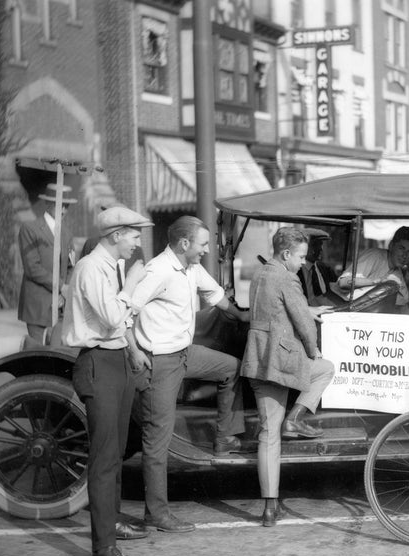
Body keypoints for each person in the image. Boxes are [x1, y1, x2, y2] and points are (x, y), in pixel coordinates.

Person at [127, 216, 250, 533]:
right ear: (184, 244)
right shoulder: (158, 271)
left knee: (231, 368)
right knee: (157, 441)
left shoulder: (190, 268)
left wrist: (244, 315)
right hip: (161, 361)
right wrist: (135, 351)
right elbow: (126, 312)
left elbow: (216, 297)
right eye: (203, 244)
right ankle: (156, 514)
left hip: (185, 353)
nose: (206, 250)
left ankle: (223, 439)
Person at [62, 205, 153, 556]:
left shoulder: (111, 267)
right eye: (134, 235)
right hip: (97, 363)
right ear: (116, 235)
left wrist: (132, 350)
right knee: (103, 460)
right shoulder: (91, 268)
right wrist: (132, 285)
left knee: (114, 454)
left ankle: (111, 524)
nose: (137, 242)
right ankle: (104, 550)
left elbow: (120, 325)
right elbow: (114, 317)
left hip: (115, 361)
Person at [241, 227, 335, 527]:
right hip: (283, 361)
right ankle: (296, 416)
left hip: (258, 359)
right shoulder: (288, 277)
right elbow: (304, 325)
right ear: (286, 254)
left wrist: (306, 307)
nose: (303, 263)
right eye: (301, 257)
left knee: (269, 435)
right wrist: (313, 349)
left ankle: (269, 509)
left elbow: (276, 305)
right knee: (326, 368)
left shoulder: (261, 273)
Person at [17, 183, 76, 344]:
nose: (63, 210)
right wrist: (60, 286)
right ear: (48, 203)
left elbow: (71, 265)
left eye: (67, 206)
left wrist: (65, 290)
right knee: (37, 351)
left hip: (60, 304)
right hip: (39, 304)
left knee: (56, 350)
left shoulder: (66, 233)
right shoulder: (30, 229)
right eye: (60, 205)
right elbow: (32, 268)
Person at [333, 225, 409, 307]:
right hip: (335, 304)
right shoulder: (375, 256)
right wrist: (379, 282)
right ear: (391, 246)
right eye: (401, 249)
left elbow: (403, 301)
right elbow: (343, 282)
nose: (405, 255)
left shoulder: (397, 271)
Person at [297, 228, 338, 301]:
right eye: (315, 245)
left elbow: (337, 290)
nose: (321, 249)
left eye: (321, 244)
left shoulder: (326, 269)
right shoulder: (294, 271)